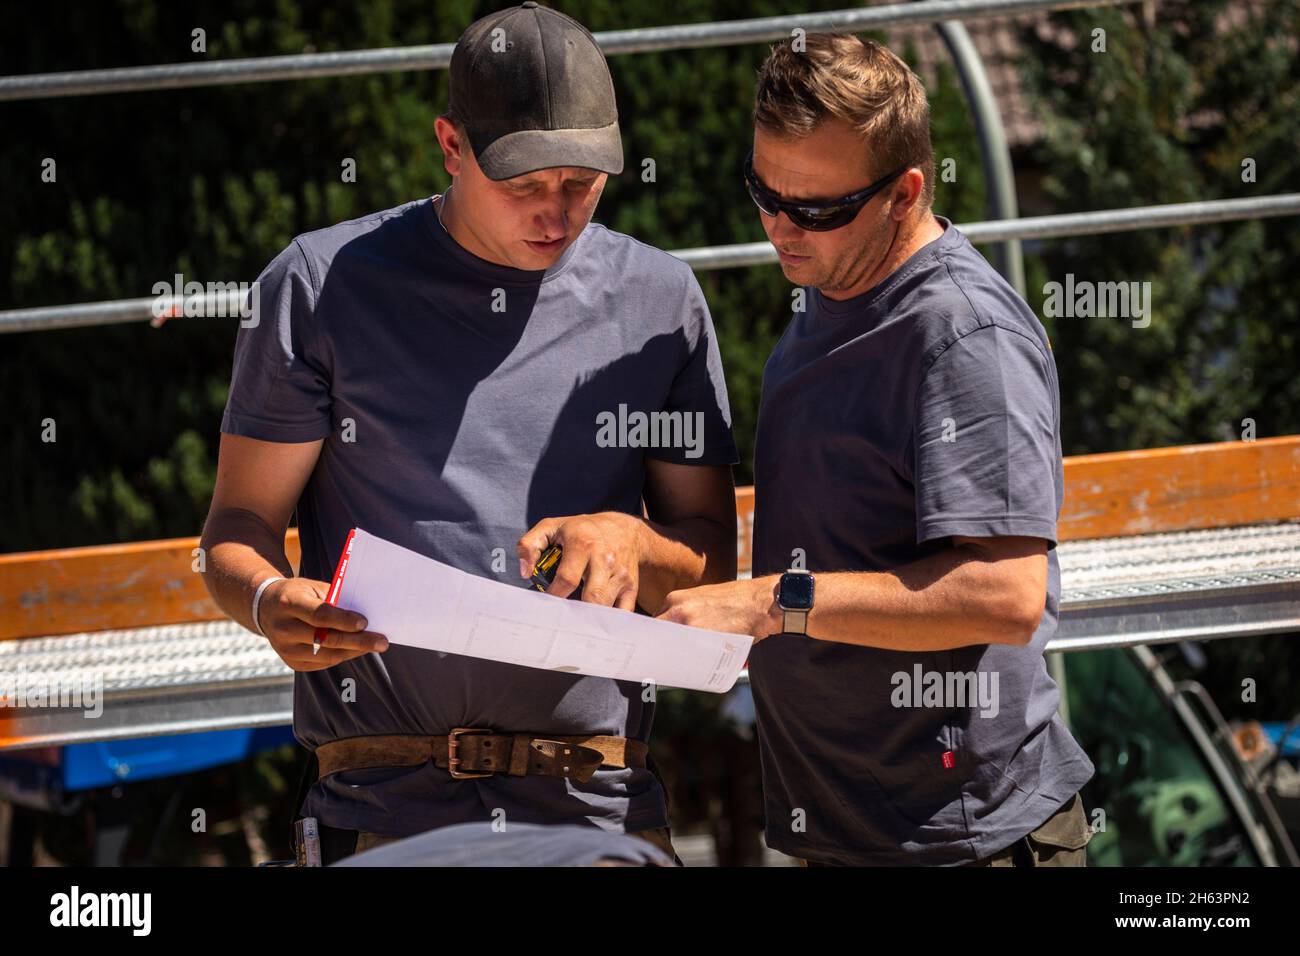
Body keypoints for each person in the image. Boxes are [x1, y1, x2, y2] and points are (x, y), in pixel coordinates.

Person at [199, 2, 738, 865]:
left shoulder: (659, 304)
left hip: (594, 806)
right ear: (450, 146)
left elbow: (715, 566)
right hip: (379, 806)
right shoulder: (317, 288)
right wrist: (269, 602)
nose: (557, 215)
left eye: (583, 183)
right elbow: (235, 532)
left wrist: (633, 543)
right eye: (524, 186)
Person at [656, 33, 1095, 866]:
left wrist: (769, 605)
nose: (781, 227)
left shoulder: (963, 335)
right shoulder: (829, 294)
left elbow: (1006, 596)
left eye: (817, 208)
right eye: (763, 191)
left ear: (905, 194)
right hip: (856, 833)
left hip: (968, 841)